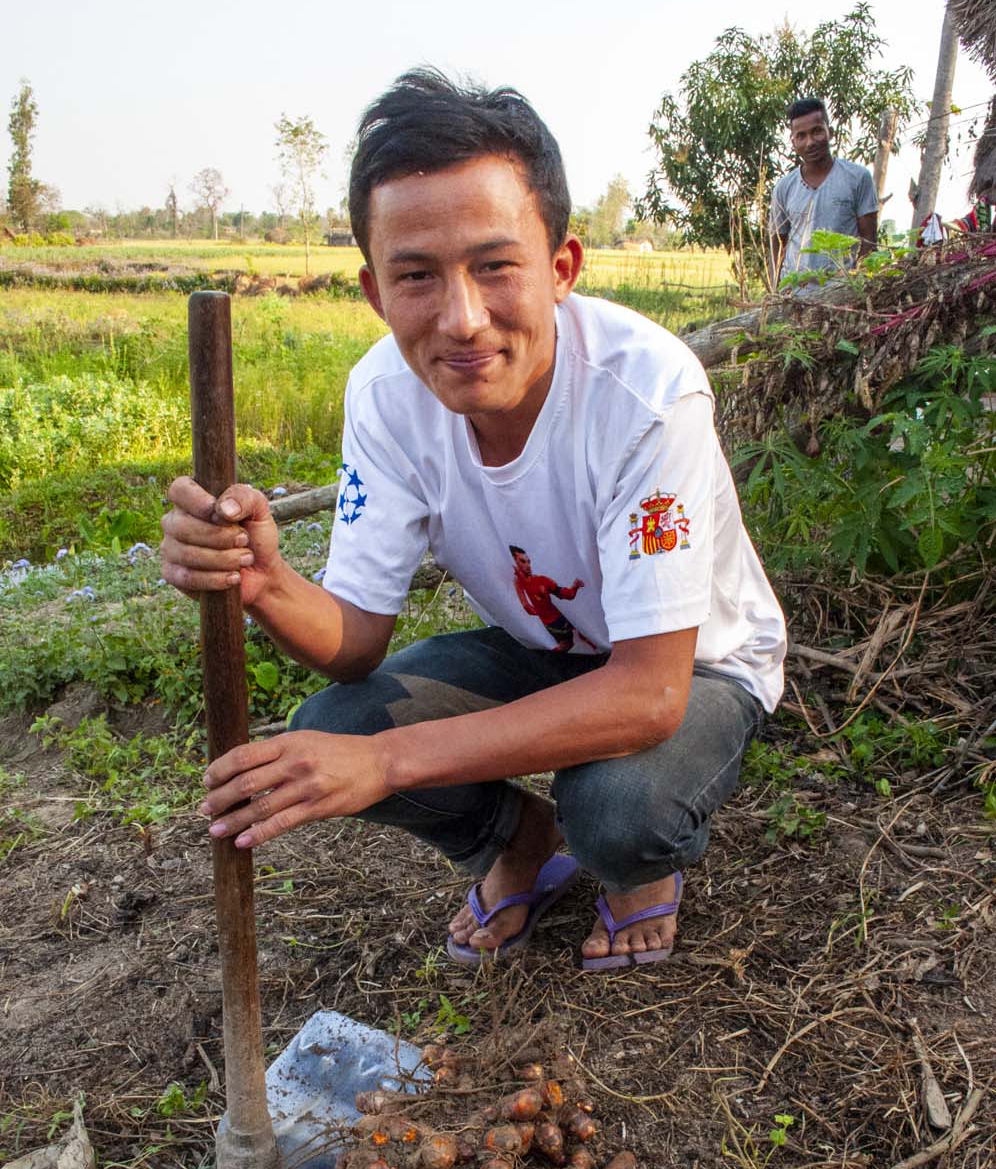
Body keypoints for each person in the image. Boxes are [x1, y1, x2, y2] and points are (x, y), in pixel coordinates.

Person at [161, 69, 786, 970]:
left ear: (561, 268)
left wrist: (393, 763)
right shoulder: (383, 394)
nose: (462, 321)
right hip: (546, 644)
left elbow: (651, 690)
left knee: (615, 813)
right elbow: (357, 643)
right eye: (417, 276)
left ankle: (633, 868)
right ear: (376, 291)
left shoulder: (647, 394)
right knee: (338, 726)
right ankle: (522, 841)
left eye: (496, 267)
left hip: (695, 663)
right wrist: (262, 582)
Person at [769, 98, 878, 286]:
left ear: (830, 132)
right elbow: (776, 248)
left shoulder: (858, 178)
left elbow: (869, 244)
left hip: (842, 297)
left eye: (817, 131)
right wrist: (775, 292)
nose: (810, 142)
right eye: (801, 136)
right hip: (795, 298)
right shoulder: (784, 188)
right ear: (793, 141)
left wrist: (855, 285)